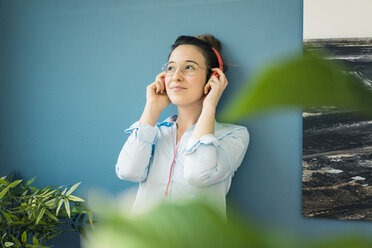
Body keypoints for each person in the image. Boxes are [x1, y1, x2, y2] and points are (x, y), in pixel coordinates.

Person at [115, 34, 249, 218]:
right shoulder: (153, 132)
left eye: (189, 67)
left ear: (213, 77)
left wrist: (210, 105)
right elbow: (128, 171)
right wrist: (152, 109)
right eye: (171, 68)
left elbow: (198, 174)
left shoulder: (234, 135)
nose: (176, 77)